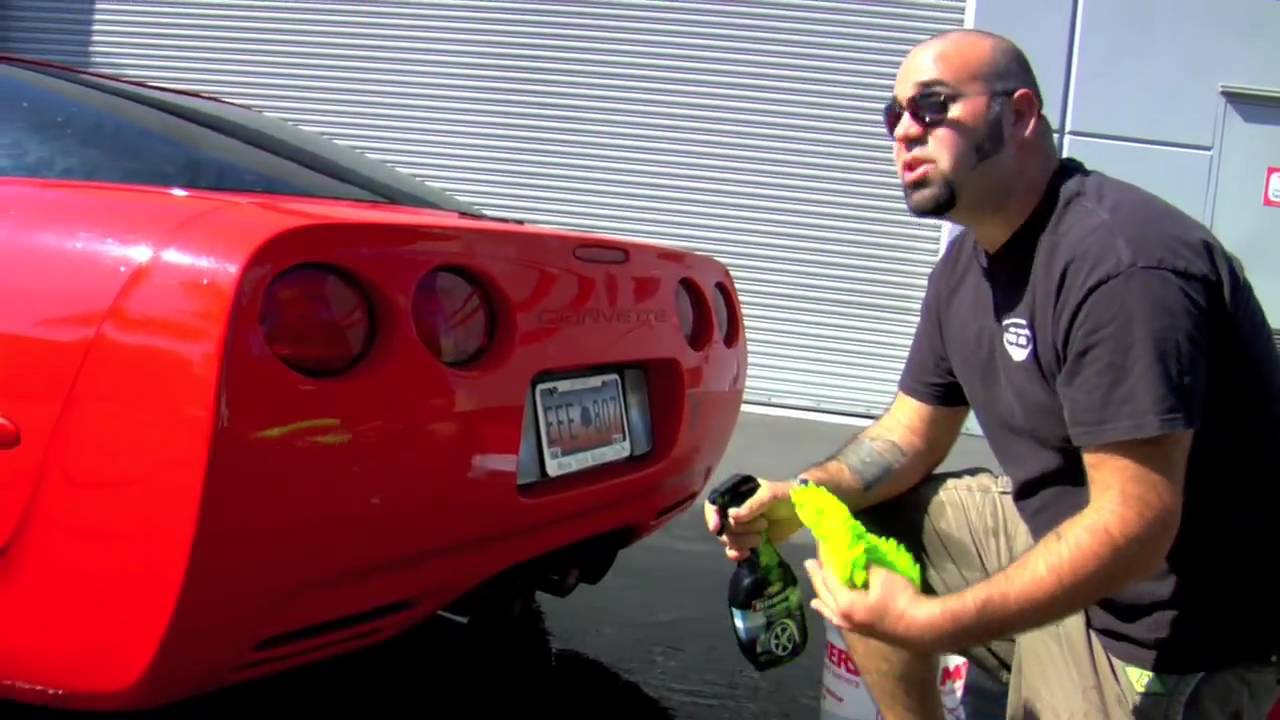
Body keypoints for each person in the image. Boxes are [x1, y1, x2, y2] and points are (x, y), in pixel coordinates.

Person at [706, 28, 1280, 720]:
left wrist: (930, 623)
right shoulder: (964, 271)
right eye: (893, 115)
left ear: (1021, 114)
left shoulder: (1123, 265)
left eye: (932, 106)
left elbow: (1137, 527)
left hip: (1173, 628)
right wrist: (801, 498)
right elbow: (907, 437)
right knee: (865, 529)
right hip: (1071, 539)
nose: (904, 133)